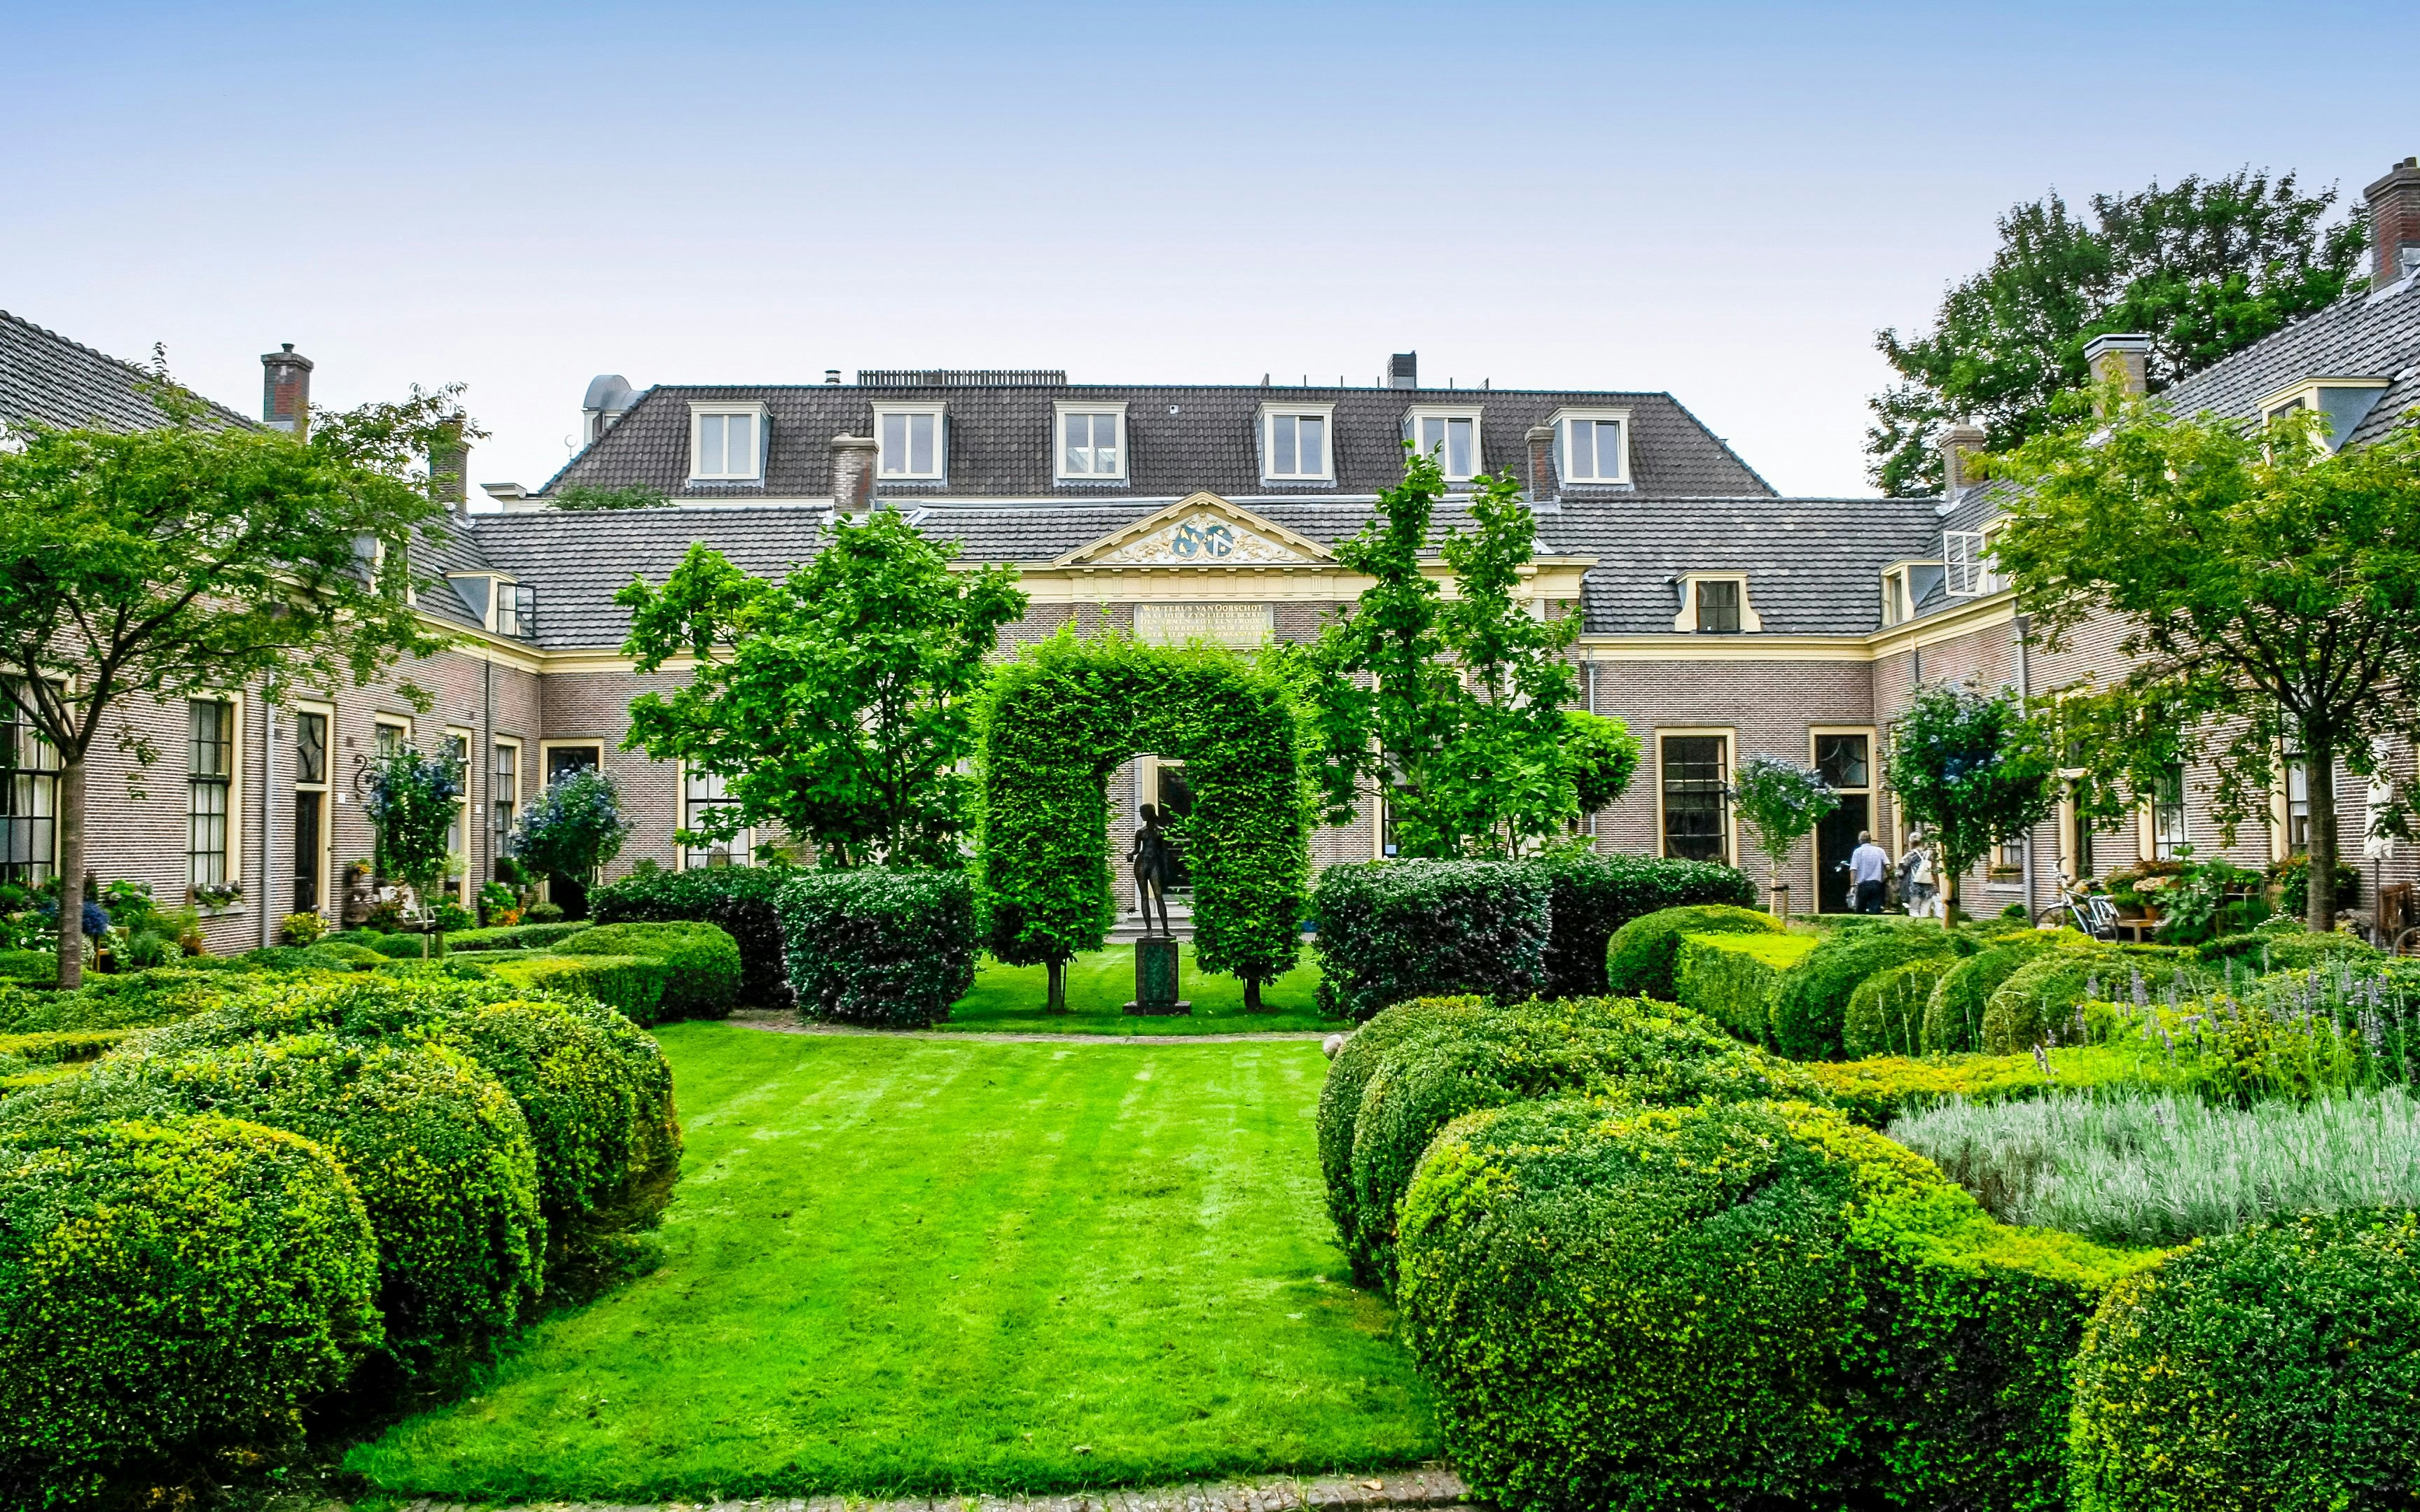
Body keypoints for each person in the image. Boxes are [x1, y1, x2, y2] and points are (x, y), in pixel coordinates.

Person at [1129, 803, 1177, 936]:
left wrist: (1166, 868)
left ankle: (1165, 929)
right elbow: (1137, 849)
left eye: (1142, 812)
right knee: (1144, 896)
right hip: (1141, 863)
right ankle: (1149, 930)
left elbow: (1163, 852)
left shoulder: (1160, 831)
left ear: (1149, 813)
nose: (1141, 815)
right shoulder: (1140, 832)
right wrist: (1131, 854)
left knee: (1158, 896)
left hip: (1154, 863)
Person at [1898, 825, 1942, 921]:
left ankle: (1917, 927)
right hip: (1928, 884)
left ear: (1911, 843)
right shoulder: (1929, 854)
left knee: (1914, 911)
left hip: (1914, 885)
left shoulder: (1910, 855)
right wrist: (1937, 885)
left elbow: (1900, 872)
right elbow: (1934, 870)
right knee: (1926, 910)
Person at [1848, 830, 1890, 914]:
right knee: (1875, 909)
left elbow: (1853, 869)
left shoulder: (1857, 852)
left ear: (1860, 841)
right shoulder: (1880, 851)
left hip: (1863, 884)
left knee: (1861, 909)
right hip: (1877, 884)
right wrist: (1886, 876)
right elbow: (1888, 866)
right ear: (1870, 840)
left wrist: (1852, 885)